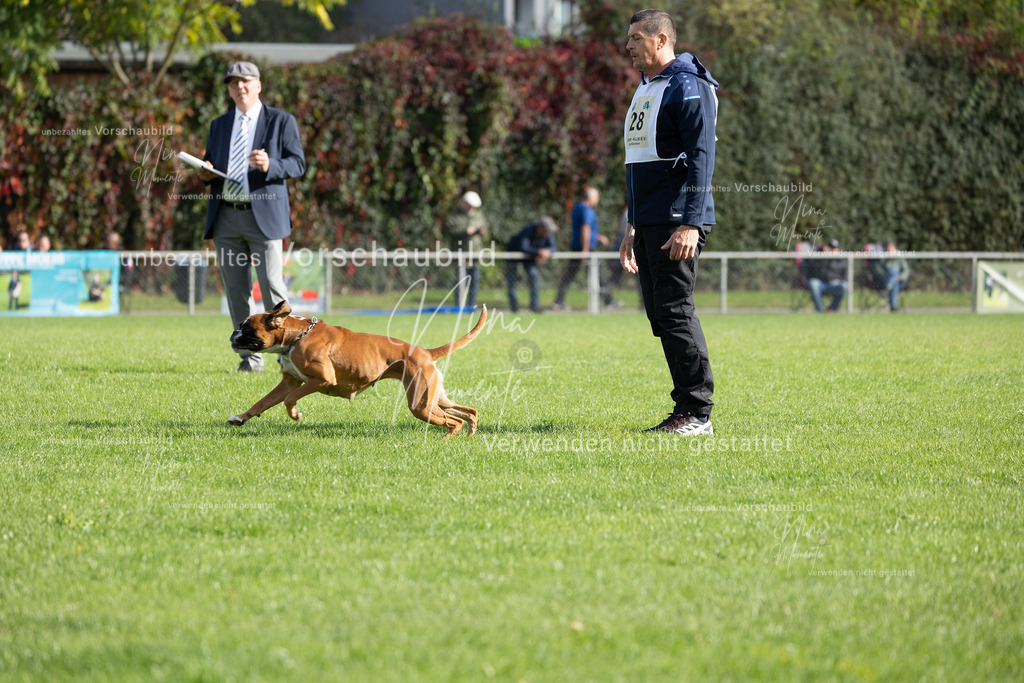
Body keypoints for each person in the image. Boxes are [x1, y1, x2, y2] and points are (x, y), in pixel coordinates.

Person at [619, 9, 719, 436]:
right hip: (651, 221)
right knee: (662, 316)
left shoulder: (688, 85)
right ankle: (685, 410)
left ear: (661, 40)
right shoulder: (646, 88)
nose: (629, 47)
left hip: (679, 219)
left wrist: (692, 223)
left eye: (636, 38)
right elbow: (637, 162)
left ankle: (697, 413)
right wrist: (632, 225)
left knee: (676, 312)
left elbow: (702, 158)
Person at [197, 61, 306, 372]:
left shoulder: (281, 121)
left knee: (273, 287)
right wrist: (204, 174)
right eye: (233, 83)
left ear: (258, 85)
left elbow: (298, 164)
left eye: (245, 81)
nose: (240, 87)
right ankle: (250, 358)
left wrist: (272, 164)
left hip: (265, 218)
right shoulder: (219, 125)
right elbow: (211, 164)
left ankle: (289, 355)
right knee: (235, 290)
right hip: (226, 218)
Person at [552, 185, 607, 311]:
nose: (597, 199)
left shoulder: (578, 207)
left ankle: (559, 300)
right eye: (596, 196)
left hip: (580, 246)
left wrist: (598, 237)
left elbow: (585, 229)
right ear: (591, 197)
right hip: (585, 248)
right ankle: (607, 300)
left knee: (572, 274)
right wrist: (585, 249)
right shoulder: (586, 210)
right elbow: (585, 228)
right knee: (597, 273)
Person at [444, 190, 488, 307]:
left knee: (474, 283)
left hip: (475, 256)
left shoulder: (478, 215)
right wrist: (465, 231)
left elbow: (484, 228)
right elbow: (450, 229)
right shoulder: (455, 215)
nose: (471, 208)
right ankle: (459, 307)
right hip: (461, 256)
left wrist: (482, 231)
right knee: (460, 284)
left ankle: (471, 307)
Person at [505, 216, 558, 313]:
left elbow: (553, 247)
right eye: (546, 230)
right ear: (540, 228)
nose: (548, 233)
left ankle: (534, 307)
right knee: (512, 281)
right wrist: (539, 252)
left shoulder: (548, 233)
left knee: (534, 278)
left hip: (530, 258)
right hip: (514, 254)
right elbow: (524, 247)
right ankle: (514, 308)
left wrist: (546, 252)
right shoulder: (528, 230)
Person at [806, 238, 847, 312]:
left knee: (845, 286)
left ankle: (831, 309)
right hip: (821, 283)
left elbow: (845, 276)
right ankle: (821, 310)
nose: (832, 250)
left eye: (834, 248)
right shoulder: (819, 257)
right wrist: (823, 256)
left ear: (838, 250)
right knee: (813, 283)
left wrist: (840, 280)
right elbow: (812, 268)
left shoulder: (841, 261)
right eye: (830, 248)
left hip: (834, 284)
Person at [882, 240, 909, 312]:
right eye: (887, 249)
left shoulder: (900, 257)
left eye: (890, 249)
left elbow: (906, 271)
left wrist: (900, 277)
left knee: (894, 275)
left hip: (900, 281)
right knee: (892, 272)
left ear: (894, 249)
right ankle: (893, 307)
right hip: (887, 280)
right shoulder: (884, 258)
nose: (889, 251)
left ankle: (888, 288)